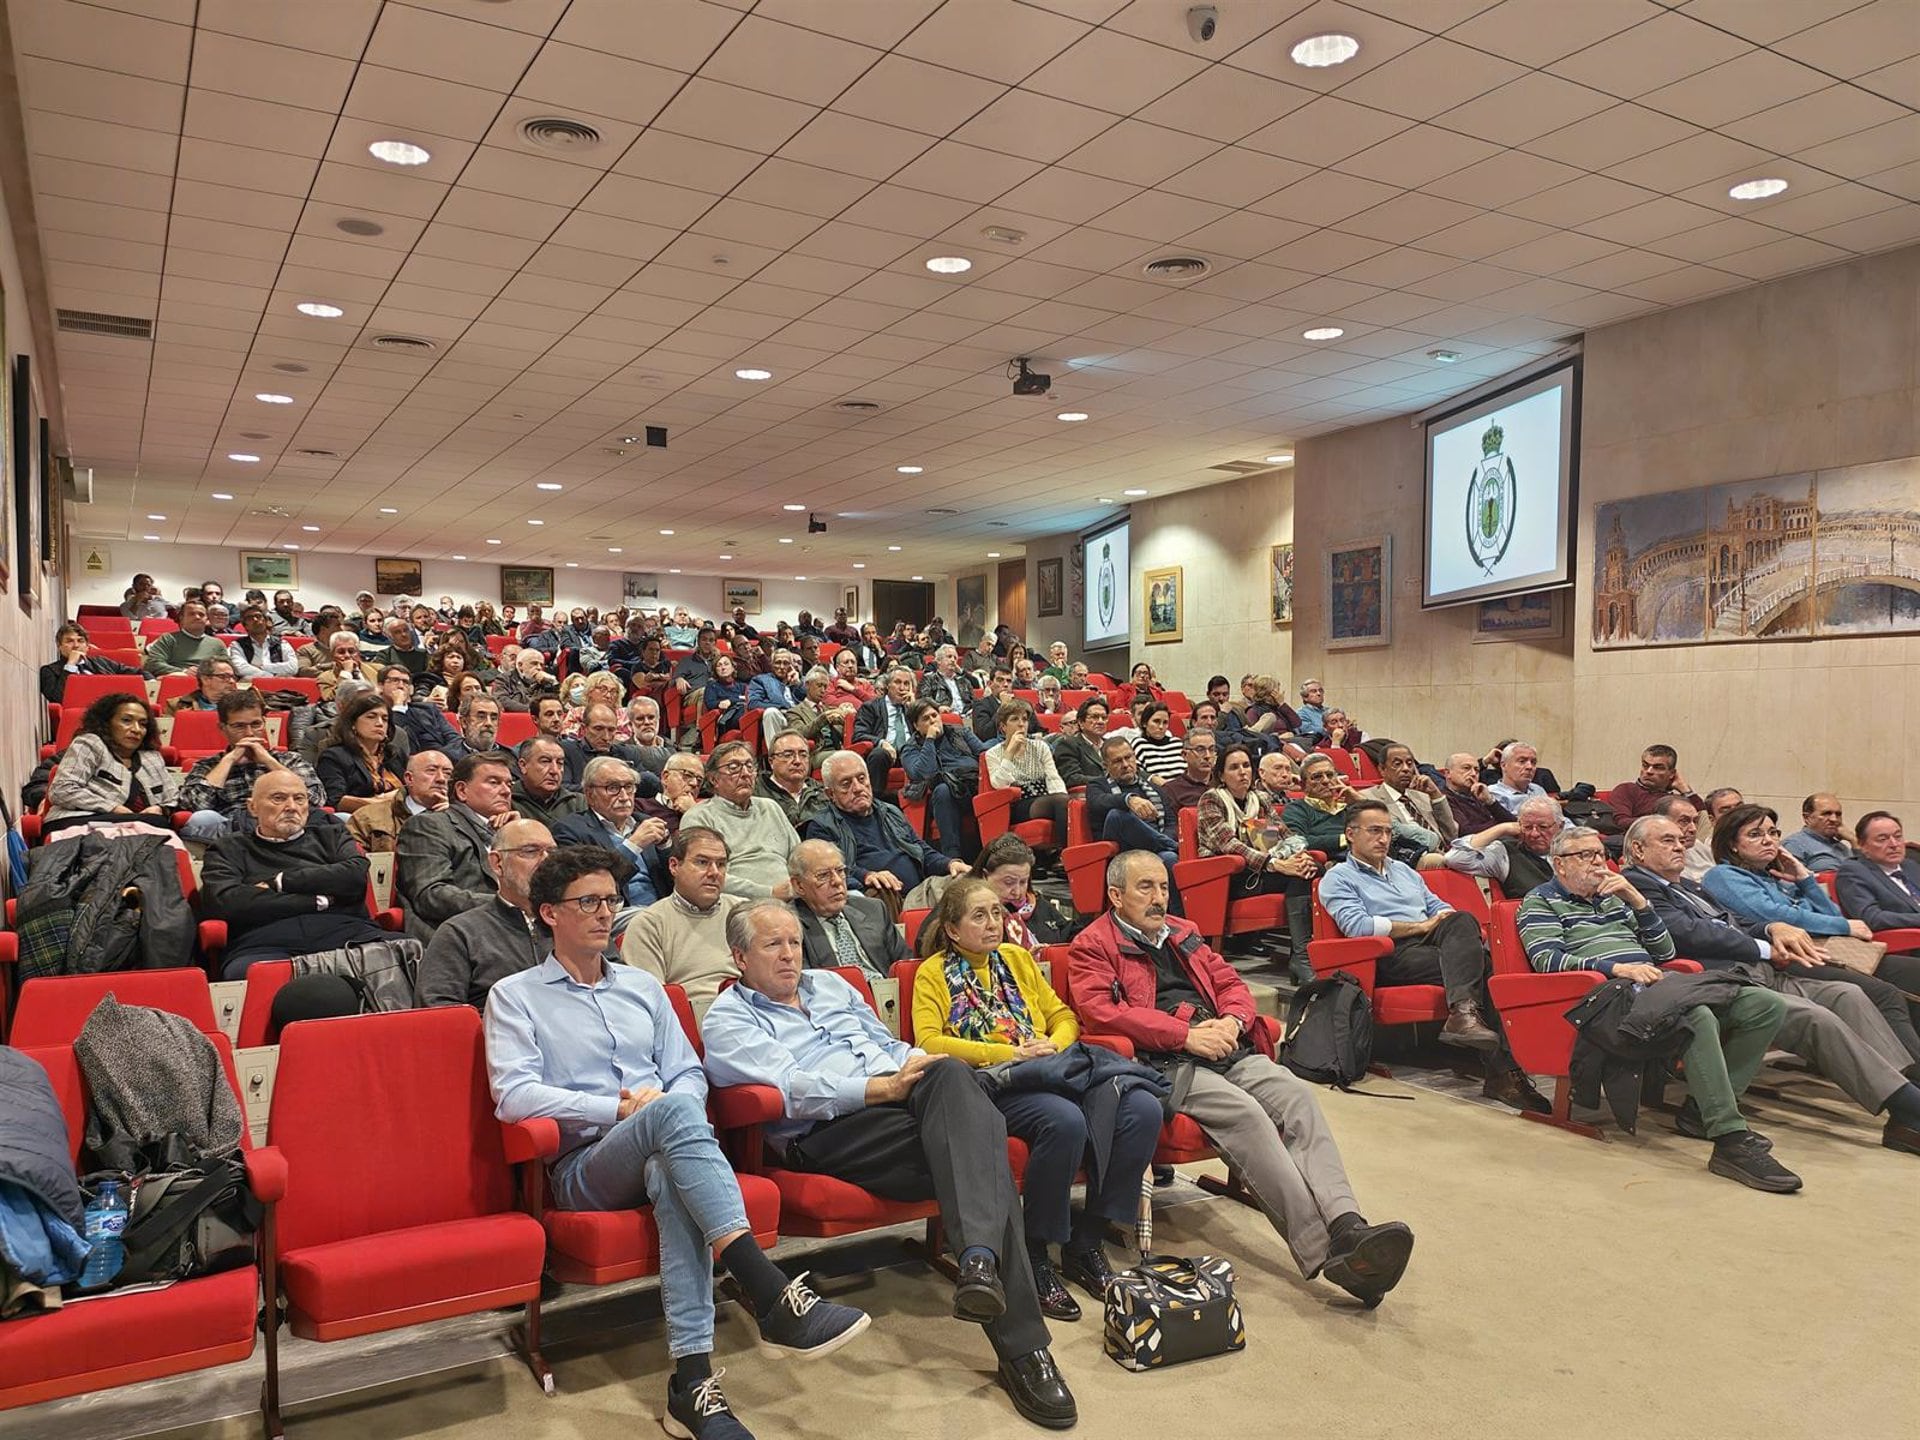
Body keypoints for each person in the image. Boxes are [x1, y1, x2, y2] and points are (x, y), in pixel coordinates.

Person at [486, 856, 869, 1440]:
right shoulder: (515, 996)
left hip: (664, 1145)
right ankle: (765, 1288)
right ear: (547, 914)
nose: (604, 913)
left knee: (672, 1163)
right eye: (587, 902)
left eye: (610, 900)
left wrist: (665, 1107)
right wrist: (620, 1109)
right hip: (584, 1166)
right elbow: (514, 1096)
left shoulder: (643, 988)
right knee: (672, 1111)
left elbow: (688, 1072)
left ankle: (692, 1385)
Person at [702, 899, 1076, 1429]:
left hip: (905, 1103)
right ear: (740, 956)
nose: (790, 955)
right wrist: (880, 1088)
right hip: (832, 1131)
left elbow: (888, 1043)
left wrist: (914, 1065)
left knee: (948, 1072)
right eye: (772, 945)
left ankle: (977, 1264)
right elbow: (791, 1090)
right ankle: (1021, 1343)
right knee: (982, 1156)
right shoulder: (729, 1018)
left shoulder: (832, 986)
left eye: (793, 942)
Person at [1070, 851, 1415, 1304]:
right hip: (1164, 1063)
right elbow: (1102, 1012)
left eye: (1163, 887)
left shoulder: (1185, 932)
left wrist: (1232, 1022)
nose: (1158, 898)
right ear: (1115, 895)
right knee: (1248, 1116)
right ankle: (1328, 1254)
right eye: (1145, 888)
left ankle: (1348, 1224)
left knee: (1298, 1098)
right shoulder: (1092, 944)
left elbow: (1232, 984)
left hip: (1226, 1045)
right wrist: (1184, 1036)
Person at [913, 878, 1162, 1321]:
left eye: (996, 913)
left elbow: (1062, 1016)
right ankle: (1035, 1253)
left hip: (1052, 1067)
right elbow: (930, 1043)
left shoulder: (1017, 958)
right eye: (979, 915)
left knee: (1143, 1109)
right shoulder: (932, 972)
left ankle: (1086, 1241)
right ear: (952, 929)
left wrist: (1054, 1046)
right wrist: (1013, 1053)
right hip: (992, 1082)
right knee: (1064, 1122)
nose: (993, 923)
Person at [1516, 826, 1799, 1192]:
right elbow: (1546, 959)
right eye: (1585, 856)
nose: (1597, 863)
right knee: (1693, 1016)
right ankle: (1729, 1139)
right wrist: (1616, 968)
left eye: (1600, 854)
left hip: (1654, 986)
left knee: (1764, 1004)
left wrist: (1638, 900)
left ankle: (1701, 1111)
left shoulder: (1615, 897)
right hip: (1603, 1000)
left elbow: (1665, 954)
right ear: (1559, 864)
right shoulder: (1540, 902)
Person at [1622, 815, 1920, 1154]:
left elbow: (1737, 924)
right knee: (1816, 1018)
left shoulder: (1690, 885)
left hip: (1764, 968)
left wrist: (1770, 929)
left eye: (1680, 839)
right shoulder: (1638, 886)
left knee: (1847, 993)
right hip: (1722, 979)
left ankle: (1907, 1091)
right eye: (1667, 840)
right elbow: (1685, 933)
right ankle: (1909, 1108)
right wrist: (1764, 945)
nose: (1680, 845)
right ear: (1638, 850)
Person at [1321, 801, 1546, 1110]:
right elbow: (1358, 927)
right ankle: (1503, 1073)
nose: (1384, 839)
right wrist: (1421, 926)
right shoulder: (1339, 877)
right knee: (1486, 969)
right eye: (1374, 831)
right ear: (1351, 834)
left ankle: (1465, 1016)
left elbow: (1440, 908)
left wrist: (1436, 921)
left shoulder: (1404, 871)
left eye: (1388, 832)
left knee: (1462, 920)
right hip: (1385, 956)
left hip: (1432, 947)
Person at [1703, 804, 1920, 999]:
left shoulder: (1776, 877)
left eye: (1772, 832)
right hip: (1787, 961)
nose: (1768, 840)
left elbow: (1832, 916)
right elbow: (1775, 915)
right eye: (1755, 834)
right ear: (1732, 844)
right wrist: (1845, 926)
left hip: (1831, 951)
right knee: (1884, 994)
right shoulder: (1723, 875)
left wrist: (1805, 879)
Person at [200, 771, 385, 980]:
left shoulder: (332, 835)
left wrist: (280, 882)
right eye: (278, 798)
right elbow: (226, 902)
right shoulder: (227, 848)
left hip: (348, 934)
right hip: (264, 942)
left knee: (407, 952)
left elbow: (354, 877)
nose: (291, 806)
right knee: (245, 972)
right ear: (252, 807)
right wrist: (316, 901)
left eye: (299, 798)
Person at [1196, 742, 1318, 977]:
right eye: (1234, 767)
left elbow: (1285, 835)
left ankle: (1302, 956)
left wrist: (1299, 857)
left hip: (1263, 871)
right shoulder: (1212, 800)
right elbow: (1229, 845)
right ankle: (1301, 957)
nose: (1242, 771)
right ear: (1221, 774)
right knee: (1300, 876)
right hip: (1228, 879)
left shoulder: (1258, 799)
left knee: (1312, 869)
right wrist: (1275, 864)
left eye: (1245, 765)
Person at [804, 751, 967, 906]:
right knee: (882, 894)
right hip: (882, 897)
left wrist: (950, 863)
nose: (858, 788)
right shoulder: (822, 826)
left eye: (861, 779)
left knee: (966, 881)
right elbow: (830, 874)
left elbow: (922, 850)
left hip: (920, 891)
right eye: (846, 784)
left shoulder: (891, 811)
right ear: (830, 794)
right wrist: (867, 876)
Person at [397, 752, 519, 939]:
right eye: (494, 782)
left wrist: (521, 835)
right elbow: (431, 895)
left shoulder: (509, 829)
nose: (506, 791)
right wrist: (505, 905)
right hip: (462, 936)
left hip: (515, 929)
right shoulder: (429, 825)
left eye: (509, 784)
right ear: (462, 791)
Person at [623, 828, 748, 1006]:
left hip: (753, 1010)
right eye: (702, 862)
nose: (714, 872)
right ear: (674, 866)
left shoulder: (743, 913)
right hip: (691, 1017)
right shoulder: (649, 924)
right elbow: (651, 1003)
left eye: (720, 864)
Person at [178, 690, 326, 841]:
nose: (249, 733)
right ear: (222, 728)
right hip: (231, 833)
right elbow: (195, 805)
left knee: (339, 818)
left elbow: (316, 799)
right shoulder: (208, 766)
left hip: (288, 824)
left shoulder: (290, 760)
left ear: (264, 723)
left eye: (256, 724)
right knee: (203, 818)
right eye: (239, 726)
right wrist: (229, 760)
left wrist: (268, 761)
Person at [553, 756, 671, 925]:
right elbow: (588, 889)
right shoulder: (570, 830)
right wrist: (633, 845)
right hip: (610, 914)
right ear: (589, 794)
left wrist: (665, 846)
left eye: (629, 787)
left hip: (659, 910)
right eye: (613, 788)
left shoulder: (645, 822)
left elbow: (676, 879)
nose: (624, 797)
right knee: (648, 918)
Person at [681, 741, 797, 899]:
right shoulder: (700, 817)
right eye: (733, 767)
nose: (746, 773)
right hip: (737, 905)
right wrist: (769, 893)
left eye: (750, 766)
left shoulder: (771, 808)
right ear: (713, 779)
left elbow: (800, 857)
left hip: (792, 899)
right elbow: (704, 874)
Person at [45, 693, 175, 831]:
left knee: (158, 822)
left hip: (139, 825)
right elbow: (61, 790)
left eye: (143, 724)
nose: (136, 729)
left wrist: (161, 808)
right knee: (154, 823)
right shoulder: (90, 744)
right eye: (126, 720)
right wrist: (112, 807)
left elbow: (174, 798)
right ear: (106, 723)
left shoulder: (153, 758)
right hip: (81, 820)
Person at [786, 839, 908, 979]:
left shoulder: (873, 909)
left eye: (840, 871)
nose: (837, 881)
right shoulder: (790, 926)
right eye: (823, 875)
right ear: (799, 885)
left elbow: (904, 965)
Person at [901, 699, 990, 857]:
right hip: (947, 795)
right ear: (916, 726)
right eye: (925, 719)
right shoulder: (911, 748)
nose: (932, 721)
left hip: (975, 785)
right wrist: (929, 740)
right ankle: (952, 857)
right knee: (943, 790)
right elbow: (923, 774)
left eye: (934, 715)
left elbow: (985, 755)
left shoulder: (960, 732)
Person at [1086, 737, 1180, 885]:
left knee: (1169, 858)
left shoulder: (1154, 789)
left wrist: (1163, 837)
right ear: (1106, 765)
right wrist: (1128, 800)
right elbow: (1098, 802)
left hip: (1156, 850)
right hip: (1123, 850)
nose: (1125, 764)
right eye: (1117, 761)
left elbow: (1171, 822)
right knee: (1116, 815)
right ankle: (1173, 846)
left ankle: (1174, 909)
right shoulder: (1097, 785)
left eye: (1128, 757)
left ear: (1135, 757)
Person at [982, 700, 1069, 847]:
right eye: (1014, 719)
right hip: (1018, 804)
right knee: (1060, 801)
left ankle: (1066, 853)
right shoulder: (993, 753)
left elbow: (1053, 777)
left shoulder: (1040, 747)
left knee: (1069, 802)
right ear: (1003, 727)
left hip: (1045, 798)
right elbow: (1000, 784)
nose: (1021, 724)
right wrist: (1009, 753)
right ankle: (1062, 853)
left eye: (1024, 719)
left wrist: (1063, 799)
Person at [1445, 795, 1567, 896]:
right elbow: (1455, 858)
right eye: (1528, 827)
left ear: (1560, 826)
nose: (1534, 834)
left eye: (1543, 827)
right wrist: (1502, 829)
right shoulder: (1505, 852)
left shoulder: (1574, 851)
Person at [316, 693, 407, 813]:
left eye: (385, 719)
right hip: (359, 818)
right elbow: (336, 801)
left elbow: (414, 788)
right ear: (353, 723)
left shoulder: (395, 754)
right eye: (371, 717)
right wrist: (386, 802)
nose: (380, 723)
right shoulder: (334, 757)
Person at [349, 749, 452, 854]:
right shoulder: (367, 817)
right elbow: (355, 864)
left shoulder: (459, 820)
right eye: (431, 771)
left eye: (447, 773)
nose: (441, 779)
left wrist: (448, 822)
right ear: (409, 778)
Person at [1837, 811, 1920, 938]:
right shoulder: (1853, 871)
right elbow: (1872, 918)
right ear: (1862, 845)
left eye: (1898, 837)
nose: (1894, 844)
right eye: (1883, 839)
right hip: (1904, 943)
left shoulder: (1910, 865)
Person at [1363, 742, 1457, 853]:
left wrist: (1436, 794)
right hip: (1412, 855)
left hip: (1446, 853)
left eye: (1409, 763)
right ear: (1382, 770)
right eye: (1397, 764)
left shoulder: (1422, 796)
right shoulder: (1369, 798)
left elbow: (1452, 835)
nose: (1406, 769)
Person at [851, 666, 918, 796]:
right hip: (887, 755)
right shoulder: (870, 707)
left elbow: (927, 734)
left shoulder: (914, 708)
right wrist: (881, 742)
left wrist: (915, 710)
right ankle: (875, 802)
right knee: (879, 754)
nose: (902, 688)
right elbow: (858, 735)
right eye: (898, 682)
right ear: (887, 685)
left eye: (906, 684)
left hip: (912, 753)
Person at [1281, 753, 1359, 863]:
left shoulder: (1350, 807)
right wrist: (1345, 839)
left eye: (1330, 775)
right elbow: (1297, 841)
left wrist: (1360, 801)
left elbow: (1380, 829)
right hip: (1330, 862)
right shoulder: (1296, 809)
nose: (1326, 781)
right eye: (1317, 777)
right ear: (1304, 785)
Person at [40, 622, 140, 704]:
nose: (76, 645)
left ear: (87, 646)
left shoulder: (102, 662)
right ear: (59, 646)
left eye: (80, 641)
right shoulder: (49, 671)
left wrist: (152, 681)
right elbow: (59, 699)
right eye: (69, 641)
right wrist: (70, 665)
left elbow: (136, 672)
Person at [1605, 744, 1700, 828]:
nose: (1649, 771)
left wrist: (1685, 789)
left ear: (1672, 773)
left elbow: (1702, 822)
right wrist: (1665, 824)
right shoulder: (1627, 789)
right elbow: (1621, 822)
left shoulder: (1675, 799)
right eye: (1645, 765)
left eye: (1658, 767)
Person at [561, 703, 651, 791]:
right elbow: (564, 789)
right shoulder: (567, 751)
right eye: (598, 729)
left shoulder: (628, 753)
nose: (606, 737)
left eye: (611, 730)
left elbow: (651, 782)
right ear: (584, 729)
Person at [378, 666, 463, 758]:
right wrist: (398, 706)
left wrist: (439, 757)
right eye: (395, 680)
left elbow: (454, 738)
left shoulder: (428, 709)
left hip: (443, 758)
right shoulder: (377, 714)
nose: (401, 686)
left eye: (406, 682)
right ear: (380, 686)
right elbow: (394, 741)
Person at [511, 736, 586, 831]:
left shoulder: (579, 803)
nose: (554, 770)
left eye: (560, 763)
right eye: (545, 761)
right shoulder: (507, 801)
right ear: (523, 765)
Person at [757, 730, 828, 829]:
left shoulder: (822, 793)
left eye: (803, 755)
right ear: (771, 762)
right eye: (788, 755)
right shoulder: (755, 793)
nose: (797, 761)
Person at [140, 600, 228, 675]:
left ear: (207, 619)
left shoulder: (217, 644)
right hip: (179, 681)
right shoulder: (168, 639)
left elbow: (227, 668)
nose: (197, 617)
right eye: (191, 614)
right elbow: (152, 664)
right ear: (181, 618)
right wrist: (183, 671)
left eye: (201, 614)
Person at [1438, 751, 1514, 835]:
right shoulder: (1444, 798)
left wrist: (1490, 801)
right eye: (1466, 768)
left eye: (1477, 770)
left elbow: (1513, 823)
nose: (1473, 774)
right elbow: (1465, 831)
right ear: (1448, 773)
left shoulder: (1479, 794)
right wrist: (1501, 826)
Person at [1048, 696, 1110, 790]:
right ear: (1080, 722)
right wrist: (1109, 781)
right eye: (1095, 717)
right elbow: (1072, 778)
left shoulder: (1111, 745)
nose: (1101, 721)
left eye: (1104, 717)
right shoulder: (1068, 745)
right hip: (1090, 795)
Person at [1783, 793, 1856, 871]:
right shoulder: (1794, 845)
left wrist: (1854, 840)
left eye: (1838, 814)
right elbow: (1791, 881)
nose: (1834, 819)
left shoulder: (1842, 848)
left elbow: (1864, 875)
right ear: (1807, 818)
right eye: (1826, 813)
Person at [1156, 730, 1219, 816]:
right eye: (1200, 750)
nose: (1207, 756)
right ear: (1184, 755)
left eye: (1212, 749)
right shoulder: (1171, 790)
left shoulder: (1225, 783)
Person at [227, 605, 298, 680]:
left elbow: (293, 667)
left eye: (258, 616)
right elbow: (240, 668)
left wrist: (263, 667)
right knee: (247, 678)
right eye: (250, 618)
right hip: (251, 685)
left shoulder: (281, 643)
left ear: (265, 621)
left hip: (280, 686)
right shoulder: (237, 645)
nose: (255, 619)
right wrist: (271, 677)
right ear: (245, 626)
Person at [1689, 787, 1744, 881]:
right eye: (1725, 811)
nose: (1736, 814)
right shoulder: (1704, 853)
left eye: (1740, 807)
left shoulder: (1768, 841)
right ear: (1712, 820)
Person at [1485, 741, 1552, 813]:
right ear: (1504, 765)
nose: (1530, 767)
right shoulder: (1493, 794)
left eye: (1533, 762)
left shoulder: (1538, 790)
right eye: (1522, 761)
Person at [164, 656, 241, 716]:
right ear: (205, 679)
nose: (232, 681)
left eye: (233, 677)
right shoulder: (176, 705)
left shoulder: (245, 704)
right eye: (224, 676)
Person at [315, 630, 379, 699]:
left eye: (351, 651)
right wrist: (346, 673)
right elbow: (330, 699)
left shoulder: (378, 669)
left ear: (358, 652)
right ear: (332, 655)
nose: (347, 655)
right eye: (341, 652)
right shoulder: (325, 678)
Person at [1293, 678, 1327, 745]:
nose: (1319, 693)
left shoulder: (1329, 711)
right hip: (1316, 746)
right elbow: (1308, 731)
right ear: (1305, 697)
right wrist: (1331, 729)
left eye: (1320, 690)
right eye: (1314, 691)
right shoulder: (1301, 714)